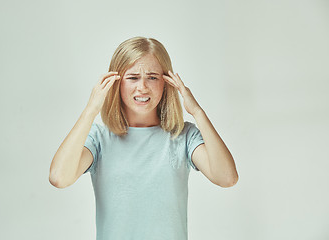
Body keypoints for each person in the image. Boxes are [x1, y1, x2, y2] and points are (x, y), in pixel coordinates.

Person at [49, 36, 238, 240]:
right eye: (132, 78)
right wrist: (90, 110)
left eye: (153, 77)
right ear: (116, 83)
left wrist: (198, 112)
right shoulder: (99, 138)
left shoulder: (183, 136)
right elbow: (59, 178)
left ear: (166, 83)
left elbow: (226, 178)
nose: (143, 87)